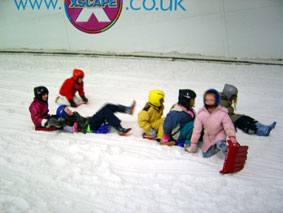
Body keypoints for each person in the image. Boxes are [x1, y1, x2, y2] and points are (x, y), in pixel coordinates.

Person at [186, 89, 237, 158]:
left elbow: (228, 125)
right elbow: (196, 130)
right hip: (208, 135)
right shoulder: (201, 114)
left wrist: (231, 136)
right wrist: (193, 143)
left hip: (219, 133)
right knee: (206, 155)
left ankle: (226, 151)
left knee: (220, 142)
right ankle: (215, 147)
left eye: (211, 100)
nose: (209, 102)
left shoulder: (222, 113)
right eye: (207, 100)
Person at [55, 101, 136, 136]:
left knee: (107, 106)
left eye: (68, 109)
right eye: (67, 110)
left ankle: (127, 110)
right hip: (88, 127)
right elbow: (58, 123)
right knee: (105, 111)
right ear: (63, 114)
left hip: (90, 120)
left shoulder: (73, 114)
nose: (69, 110)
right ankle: (119, 128)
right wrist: (51, 121)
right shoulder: (66, 120)